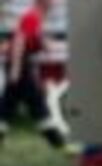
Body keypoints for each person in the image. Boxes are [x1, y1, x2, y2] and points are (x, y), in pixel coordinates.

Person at [1, 0, 63, 150]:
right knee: (36, 102)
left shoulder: (35, 17)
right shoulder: (32, 17)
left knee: (8, 104)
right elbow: (19, 41)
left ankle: (56, 140)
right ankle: (56, 140)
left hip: (21, 63)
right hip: (20, 64)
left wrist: (46, 45)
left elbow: (34, 38)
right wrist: (16, 69)